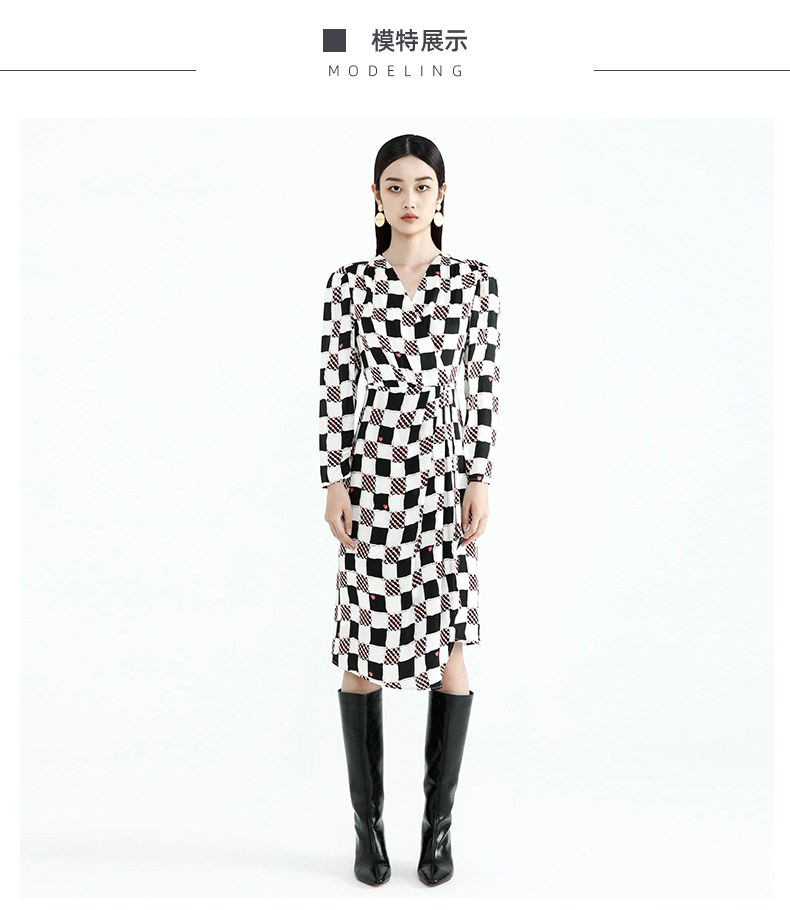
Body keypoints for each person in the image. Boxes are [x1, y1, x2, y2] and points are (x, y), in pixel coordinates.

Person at [317, 134, 501, 886]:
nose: (409, 198)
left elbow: (482, 384)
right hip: (373, 471)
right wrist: (334, 480)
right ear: (376, 197)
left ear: (442, 195)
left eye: (422, 185)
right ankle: (368, 831)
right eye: (394, 186)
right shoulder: (350, 284)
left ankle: (437, 830)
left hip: (443, 474)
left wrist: (478, 475)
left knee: (448, 648)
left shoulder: (474, 283)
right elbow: (336, 384)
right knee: (362, 650)